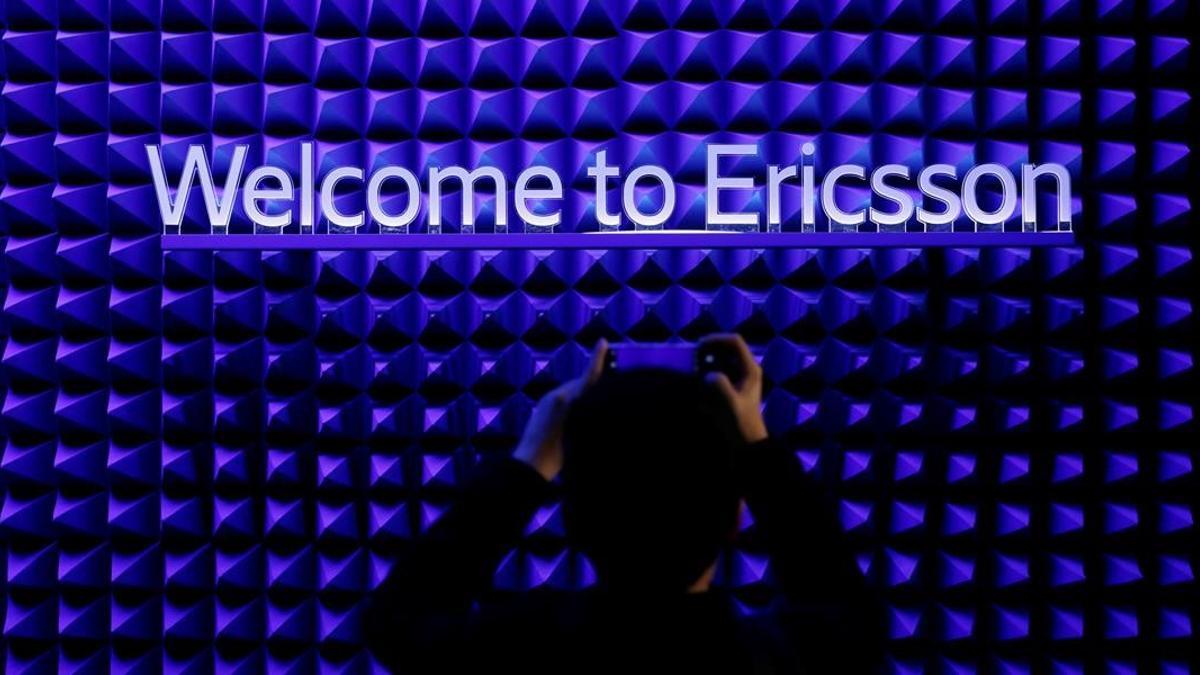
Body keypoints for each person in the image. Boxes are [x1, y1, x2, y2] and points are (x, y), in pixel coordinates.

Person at [367, 335, 884, 674]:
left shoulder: (512, 651)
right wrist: (757, 448)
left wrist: (529, 464)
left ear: (572, 518)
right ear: (735, 518)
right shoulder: (778, 660)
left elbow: (397, 619)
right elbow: (851, 617)